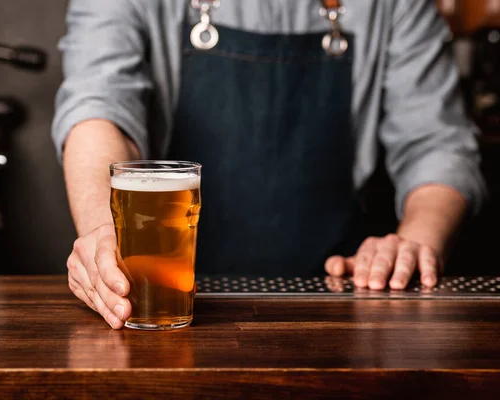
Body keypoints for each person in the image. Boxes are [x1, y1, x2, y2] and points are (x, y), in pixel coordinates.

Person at [52, 0, 487, 329]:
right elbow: (98, 107)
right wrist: (103, 233)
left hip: (340, 308)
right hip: (175, 312)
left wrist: (414, 244)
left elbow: (438, 144)